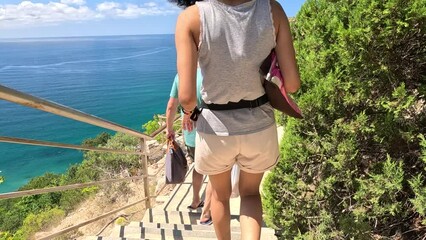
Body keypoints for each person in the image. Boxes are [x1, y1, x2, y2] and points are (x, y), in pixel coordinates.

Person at [170, 0, 301, 239]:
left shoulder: (191, 17)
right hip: (259, 124)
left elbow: (187, 98)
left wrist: (195, 115)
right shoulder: (273, 10)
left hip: (214, 128)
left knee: (219, 196)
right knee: (250, 194)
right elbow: (292, 84)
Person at [165, 68, 212, 225]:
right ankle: (207, 213)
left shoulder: (181, 75)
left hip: (191, 135)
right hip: (212, 132)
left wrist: (169, 129)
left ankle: (195, 200)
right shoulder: (211, 71)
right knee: (215, 172)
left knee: (198, 167)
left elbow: (172, 105)